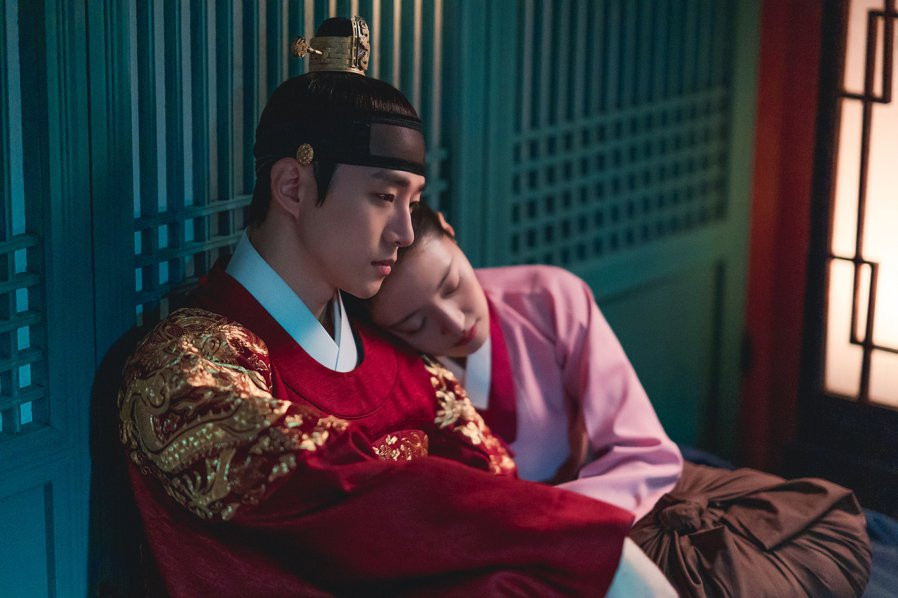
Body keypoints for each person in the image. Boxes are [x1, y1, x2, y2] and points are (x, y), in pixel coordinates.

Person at [117, 16, 676, 597]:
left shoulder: (408, 366)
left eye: (412, 202)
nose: (405, 233)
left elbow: (498, 489)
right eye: (384, 197)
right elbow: (336, 489)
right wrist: (588, 546)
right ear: (292, 187)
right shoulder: (186, 368)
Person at [366, 202, 873, 597]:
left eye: (452, 284)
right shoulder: (383, 374)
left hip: (594, 507)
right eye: (415, 322)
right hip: (497, 550)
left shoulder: (548, 298)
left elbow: (644, 452)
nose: (454, 322)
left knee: (821, 535)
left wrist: (548, 523)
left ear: (450, 232)